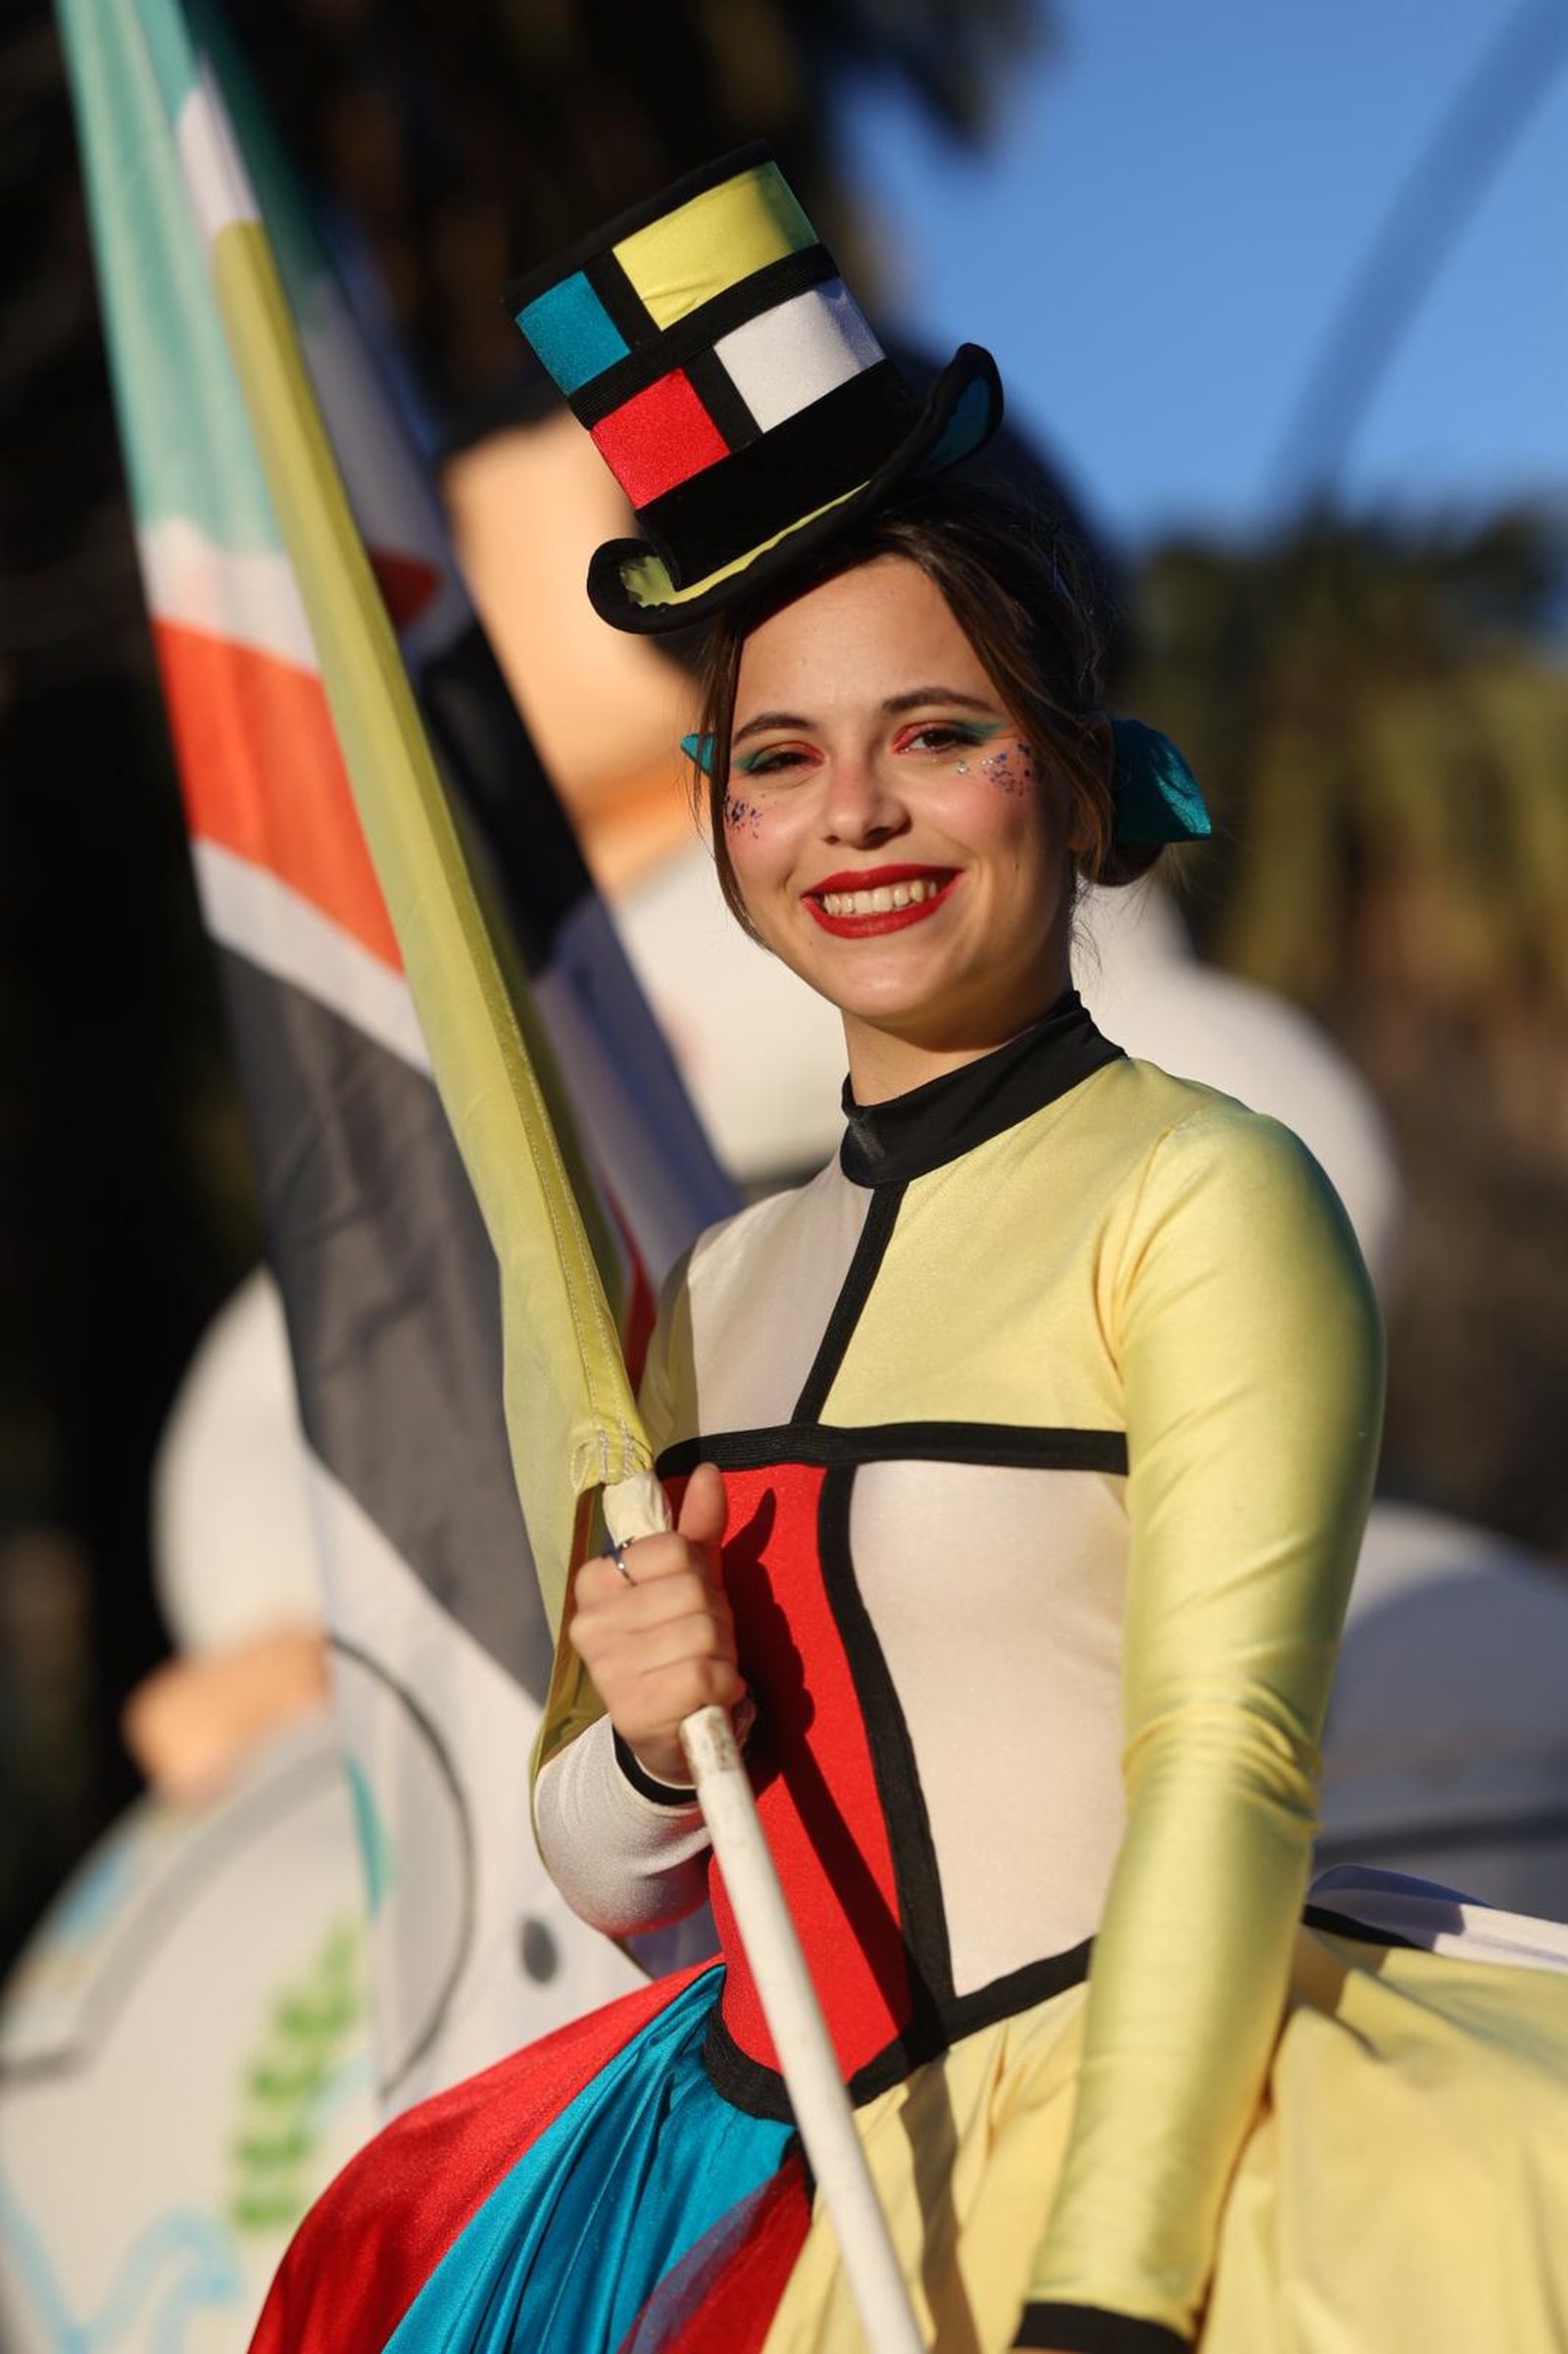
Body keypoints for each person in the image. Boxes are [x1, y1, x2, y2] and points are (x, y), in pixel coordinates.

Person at [250, 148, 1568, 2354]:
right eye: (778, 760)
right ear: (722, 816)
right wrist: (648, 1736)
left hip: (1173, 2187)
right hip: (802, 2214)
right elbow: (613, 1863)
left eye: (935, 736)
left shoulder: (1206, 1193)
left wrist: (1108, 2290)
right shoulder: (714, 1287)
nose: (851, 815)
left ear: (1068, 778)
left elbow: (1225, 1767)